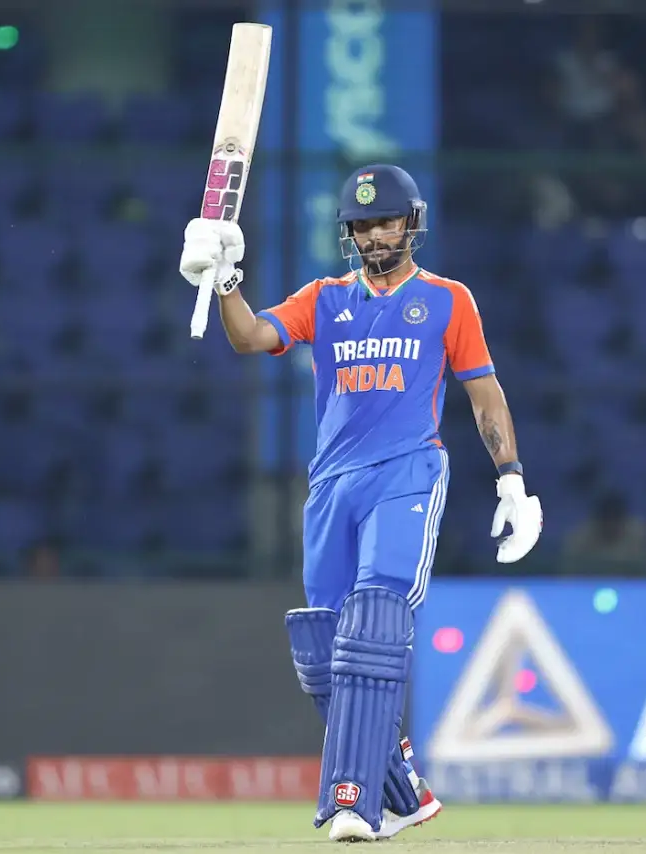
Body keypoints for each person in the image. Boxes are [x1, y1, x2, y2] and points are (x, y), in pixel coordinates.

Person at [178, 164, 542, 843]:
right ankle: (405, 790)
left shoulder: (448, 300)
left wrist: (511, 477)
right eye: (364, 225)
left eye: (387, 221)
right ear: (349, 233)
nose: (376, 234)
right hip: (331, 486)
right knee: (324, 647)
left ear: (412, 223)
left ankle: (352, 802)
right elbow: (251, 337)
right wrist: (224, 278)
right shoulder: (323, 298)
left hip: (407, 471)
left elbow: (484, 393)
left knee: (375, 616)